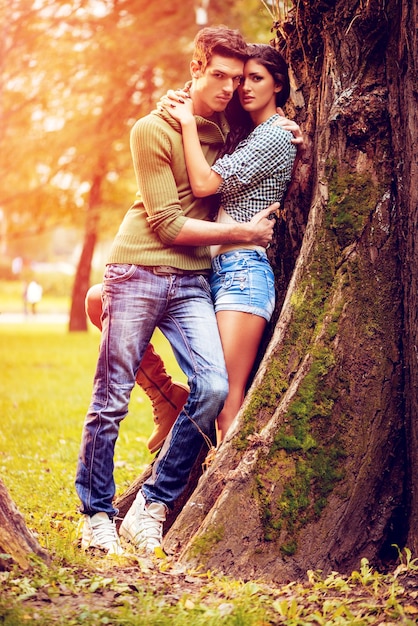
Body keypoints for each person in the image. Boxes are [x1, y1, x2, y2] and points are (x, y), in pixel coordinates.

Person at [75, 26, 278, 557]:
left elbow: (264, 132)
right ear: (195, 69)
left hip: (192, 280)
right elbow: (166, 224)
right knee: (110, 397)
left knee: (212, 389)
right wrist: (243, 232)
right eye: (218, 76)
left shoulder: (226, 129)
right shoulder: (152, 128)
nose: (230, 87)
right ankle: (95, 516)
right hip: (140, 267)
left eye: (237, 79)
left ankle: (151, 506)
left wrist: (288, 130)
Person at [162, 44, 297, 442]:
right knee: (211, 389)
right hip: (215, 271)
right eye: (240, 80)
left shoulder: (274, 136)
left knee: (226, 399)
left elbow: (204, 184)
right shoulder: (247, 133)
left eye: (255, 79)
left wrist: (186, 122)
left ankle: (219, 488)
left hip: (244, 272)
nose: (243, 88)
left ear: (278, 84)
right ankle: (167, 401)